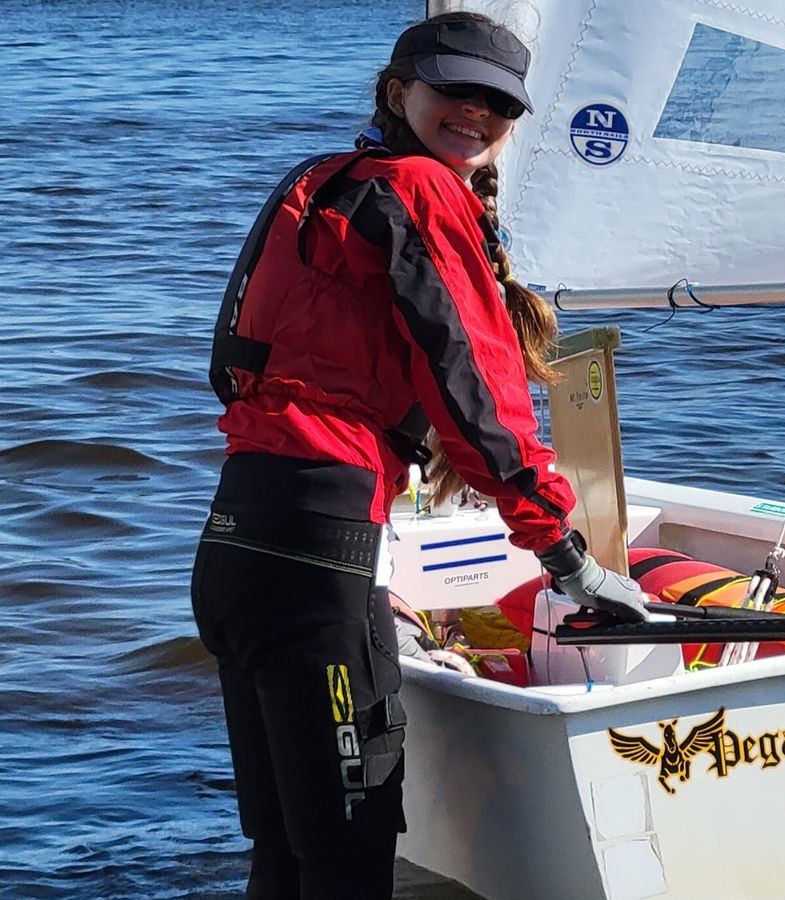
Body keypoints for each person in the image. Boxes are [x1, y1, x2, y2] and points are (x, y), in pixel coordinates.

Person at [191, 11, 648, 899]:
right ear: (399, 93)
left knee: (285, 850)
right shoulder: (419, 190)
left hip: (238, 547)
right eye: (455, 90)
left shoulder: (318, 179)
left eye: (498, 103)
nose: (477, 112)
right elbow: (478, 393)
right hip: (321, 561)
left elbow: (235, 366)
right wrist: (566, 557)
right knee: (349, 855)